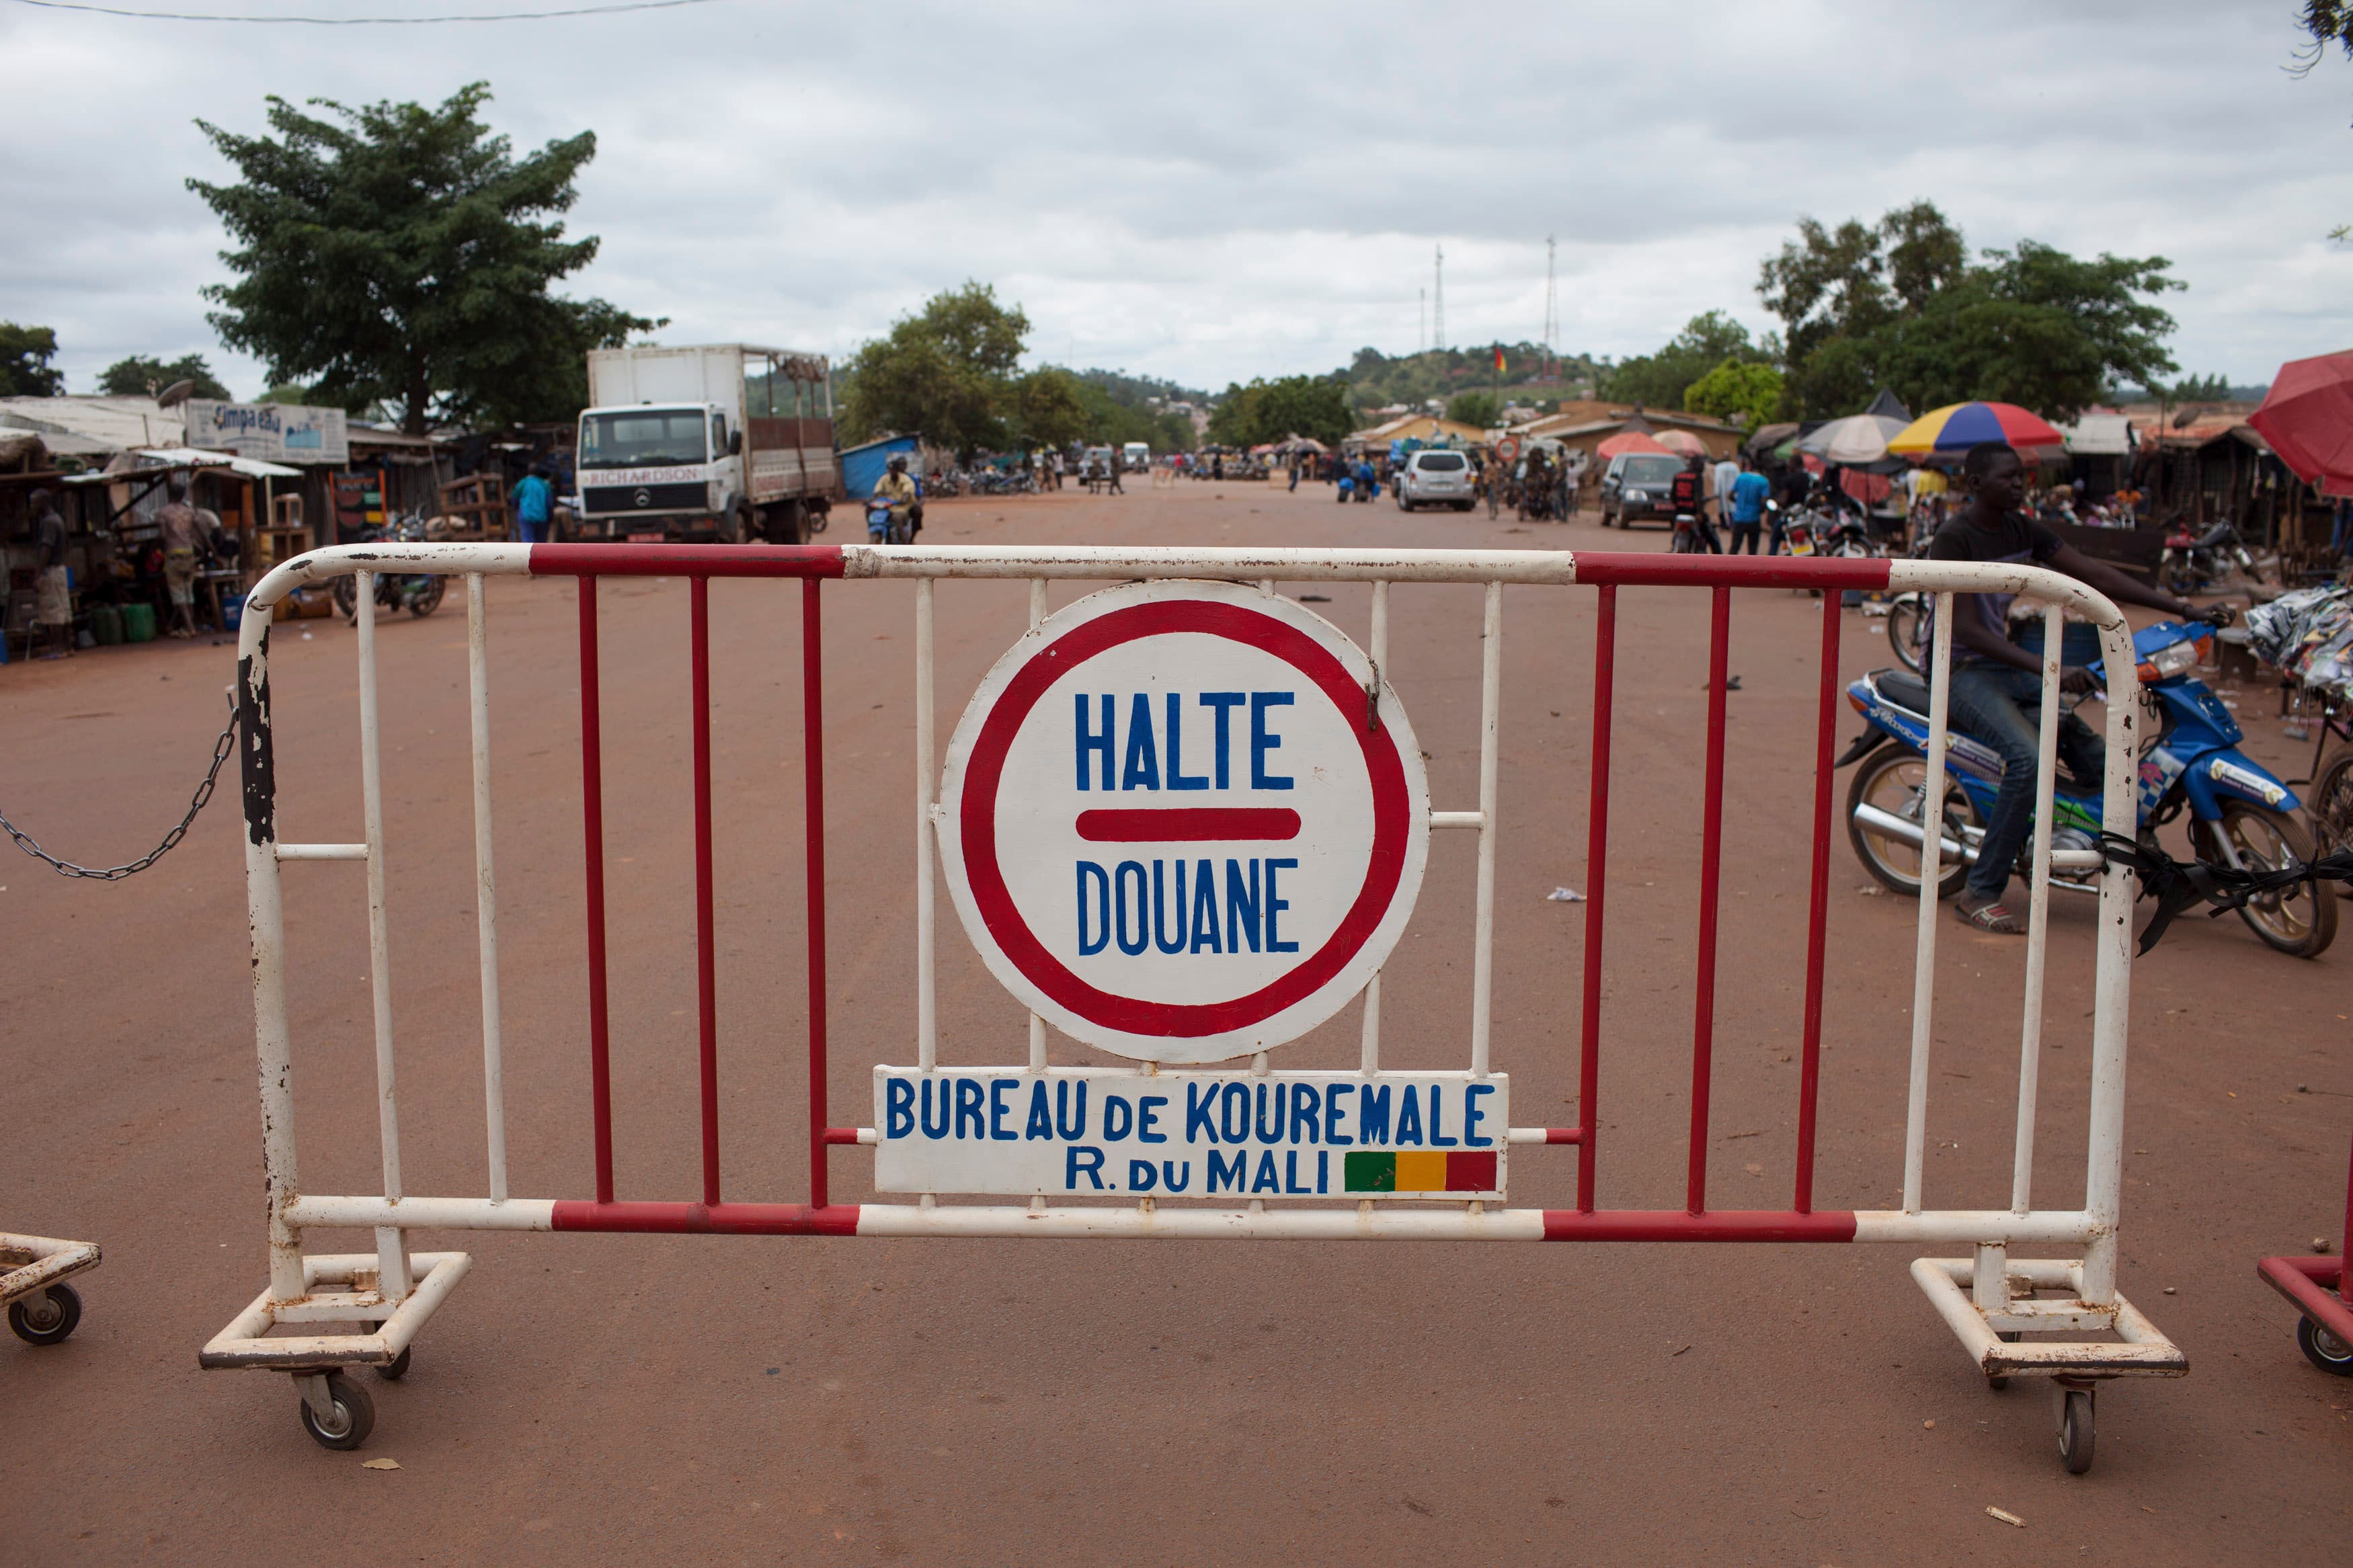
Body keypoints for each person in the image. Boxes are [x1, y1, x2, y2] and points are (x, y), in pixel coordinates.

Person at [1929, 441, 2211, 935]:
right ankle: (1981, 890)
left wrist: (2182, 608)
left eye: (2022, 476)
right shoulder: (1954, 538)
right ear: (1974, 485)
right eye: (2006, 478)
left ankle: (2151, 871)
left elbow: (2095, 575)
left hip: (2003, 664)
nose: (2019, 485)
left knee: (2100, 755)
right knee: (2028, 757)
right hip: (1959, 669)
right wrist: (2050, 666)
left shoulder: (2023, 529)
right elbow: (1968, 632)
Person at [157, 474, 205, 638]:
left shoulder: (164, 513)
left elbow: (163, 535)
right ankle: (185, 625)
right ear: (183, 495)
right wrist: (207, 550)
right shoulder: (189, 512)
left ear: (169, 495)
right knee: (188, 591)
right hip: (189, 553)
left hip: (174, 554)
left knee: (178, 593)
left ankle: (190, 627)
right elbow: (198, 533)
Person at [29, 487, 73, 659]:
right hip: (61, 569)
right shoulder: (58, 519)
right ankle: (68, 647)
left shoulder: (48, 522)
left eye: (34, 503)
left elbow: (46, 549)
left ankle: (58, 649)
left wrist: (38, 575)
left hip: (52, 570)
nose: (32, 506)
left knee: (54, 610)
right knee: (64, 609)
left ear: (43, 503)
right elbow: (68, 545)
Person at [1669, 453, 1717, 550]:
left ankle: (1673, 547)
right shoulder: (1697, 476)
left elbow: (1672, 496)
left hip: (1679, 512)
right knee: (1712, 537)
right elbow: (1697, 495)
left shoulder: (1678, 476)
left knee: (1675, 533)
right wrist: (1699, 513)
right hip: (1693, 513)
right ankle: (1720, 559)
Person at [1727, 456, 1771, 553]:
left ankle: (1728, 567)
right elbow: (1764, 502)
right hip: (1754, 519)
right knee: (1752, 549)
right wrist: (1761, 510)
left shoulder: (1741, 477)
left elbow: (1730, 495)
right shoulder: (1764, 481)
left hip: (1739, 518)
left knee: (1735, 547)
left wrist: (1738, 502)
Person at [873, 452, 920, 539]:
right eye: (890, 470)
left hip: (901, 507)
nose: (891, 472)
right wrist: (872, 500)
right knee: (871, 512)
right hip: (887, 507)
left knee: (901, 517)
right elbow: (877, 492)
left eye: (894, 470)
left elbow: (908, 494)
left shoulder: (907, 479)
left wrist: (904, 499)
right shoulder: (884, 479)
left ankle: (904, 542)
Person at [513, 464, 554, 545]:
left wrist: (517, 509)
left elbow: (515, 500)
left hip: (526, 517)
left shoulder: (522, 483)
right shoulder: (544, 484)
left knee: (528, 544)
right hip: (542, 517)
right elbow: (549, 503)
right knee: (541, 544)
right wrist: (551, 517)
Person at [1712, 450, 1741, 535]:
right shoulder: (1734, 466)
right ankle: (1732, 524)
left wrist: (1716, 492)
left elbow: (1717, 480)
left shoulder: (1719, 467)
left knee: (1722, 507)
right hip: (1732, 489)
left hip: (1723, 490)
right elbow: (1738, 477)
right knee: (1732, 507)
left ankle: (1724, 524)